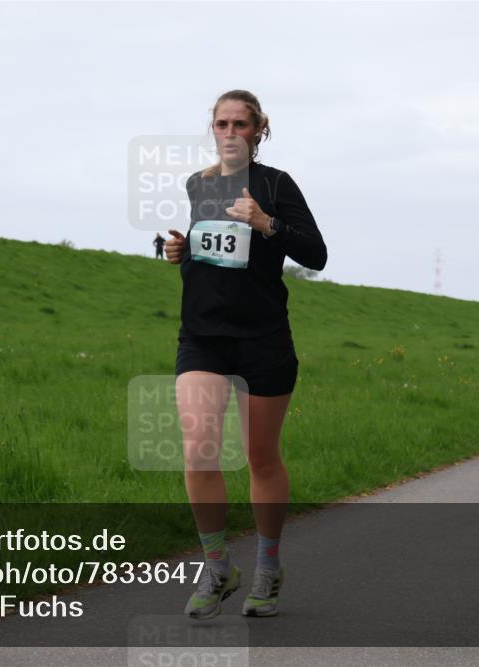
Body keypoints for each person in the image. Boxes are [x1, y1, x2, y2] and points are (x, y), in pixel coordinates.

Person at [165, 90, 326, 619]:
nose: (230, 132)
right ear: (211, 129)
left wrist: (266, 224)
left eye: (240, 124)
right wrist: (177, 252)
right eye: (221, 123)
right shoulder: (200, 185)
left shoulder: (276, 185)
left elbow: (316, 253)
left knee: (259, 456)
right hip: (204, 336)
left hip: (262, 337)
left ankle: (267, 566)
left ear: (259, 131)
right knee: (198, 449)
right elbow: (204, 253)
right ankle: (218, 568)